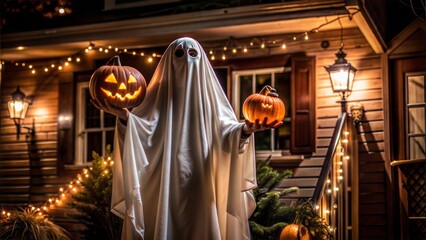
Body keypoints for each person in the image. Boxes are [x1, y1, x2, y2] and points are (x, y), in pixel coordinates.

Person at [92, 37, 282, 240]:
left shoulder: (212, 98)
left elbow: (228, 135)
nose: (186, 60)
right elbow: (144, 132)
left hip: (203, 181)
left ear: (201, 60)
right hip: (164, 182)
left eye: (192, 54)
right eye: (179, 54)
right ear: (168, 61)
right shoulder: (157, 96)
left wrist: (245, 130)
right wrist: (125, 117)